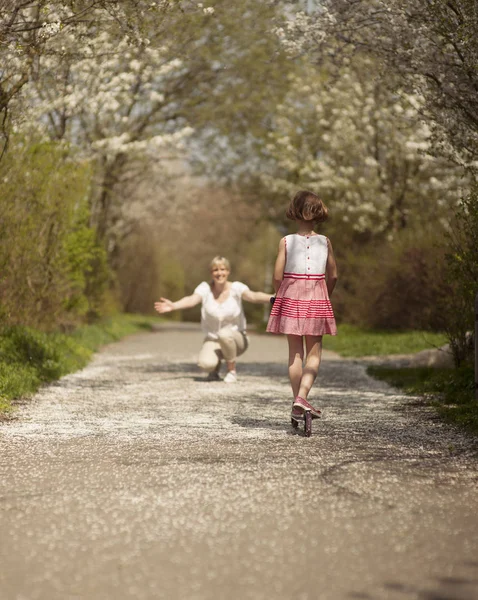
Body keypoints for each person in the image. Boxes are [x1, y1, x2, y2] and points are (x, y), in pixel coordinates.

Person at [267, 190, 338, 420]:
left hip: (290, 295)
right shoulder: (325, 242)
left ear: (294, 212)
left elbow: (278, 275)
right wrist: (325, 295)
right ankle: (302, 397)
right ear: (318, 212)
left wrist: (281, 296)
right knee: (314, 355)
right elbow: (334, 275)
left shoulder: (286, 241)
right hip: (317, 294)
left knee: (294, 354)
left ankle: (297, 402)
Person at [154, 256, 272, 382]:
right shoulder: (205, 289)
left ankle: (231, 371)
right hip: (213, 339)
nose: (219, 273)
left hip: (237, 339)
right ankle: (214, 368)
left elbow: (253, 296)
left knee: (224, 334)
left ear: (228, 271)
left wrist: (273, 298)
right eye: (215, 270)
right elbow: (192, 299)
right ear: (211, 273)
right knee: (205, 364)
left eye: (222, 269)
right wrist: (174, 305)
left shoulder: (236, 288)